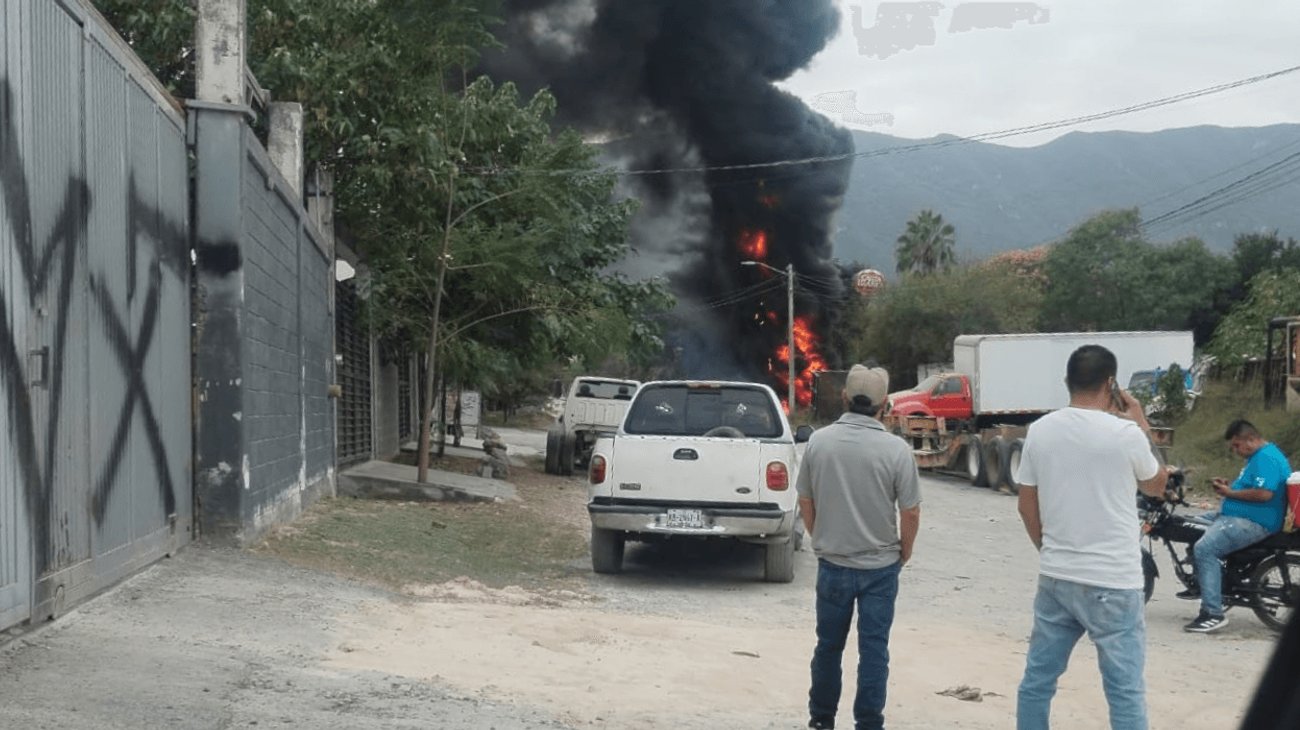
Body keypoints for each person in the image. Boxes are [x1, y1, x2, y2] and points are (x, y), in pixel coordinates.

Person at [1015, 345, 1167, 730]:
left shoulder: (1040, 431)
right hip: (1114, 580)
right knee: (1124, 691)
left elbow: (1026, 505)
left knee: (1037, 683)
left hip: (1058, 577)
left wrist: (1048, 550)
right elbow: (1156, 486)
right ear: (1111, 384)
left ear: (1067, 382)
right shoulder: (1126, 434)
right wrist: (1142, 424)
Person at [795, 364, 921, 730]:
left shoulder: (819, 441)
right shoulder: (896, 450)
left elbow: (805, 499)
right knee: (874, 652)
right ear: (886, 405)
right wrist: (904, 551)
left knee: (828, 648)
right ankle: (868, 723)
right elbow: (910, 511)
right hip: (880, 569)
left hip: (833, 564)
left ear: (845, 398)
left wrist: (821, 537)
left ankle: (821, 721)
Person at [1180, 419, 1291, 633]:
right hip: (1234, 515)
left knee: (1205, 549)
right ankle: (1204, 584)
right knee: (1189, 525)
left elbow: (1264, 494)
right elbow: (1253, 486)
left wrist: (1229, 493)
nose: (1235, 450)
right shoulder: (1258, 456)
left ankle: (1212, 613)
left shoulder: (1266, 458)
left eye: (1236, 445)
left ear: (1250, 439)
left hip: (1255, 522)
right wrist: (1230, 485)